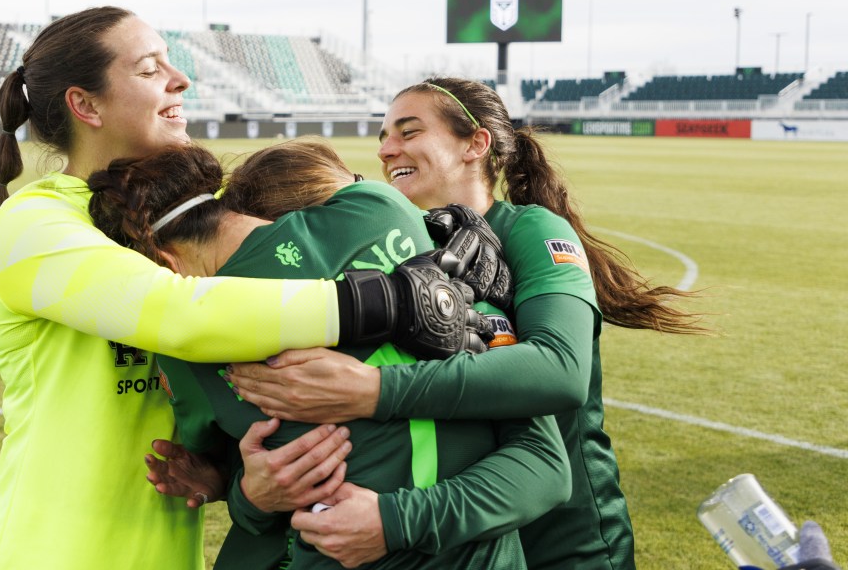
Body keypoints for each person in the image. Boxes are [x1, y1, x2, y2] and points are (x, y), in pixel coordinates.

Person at [0, 7, 491, 569]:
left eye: (171, 61)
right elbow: (181, 316)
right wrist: (388, 299)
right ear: (86, 105)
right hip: (50, 551)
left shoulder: (193, 212)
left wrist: (231, 480)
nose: (181, 79)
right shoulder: (35, 224)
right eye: (149, 69)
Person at [224, 77, 709, 570]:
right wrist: (232, 483)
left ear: (475, 144)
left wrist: (373, 389)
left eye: (409, 132)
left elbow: (560, 369)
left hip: (562, 540)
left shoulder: (531, 229)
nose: (387, 150)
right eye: (384, 138)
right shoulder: (403, 246)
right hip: (464, 539)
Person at [89, 139, 571, 569]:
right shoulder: (378, 204)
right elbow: (546, 463)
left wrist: (236, 490)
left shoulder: (185, 343)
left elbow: (213, 453)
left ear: (165, 262)